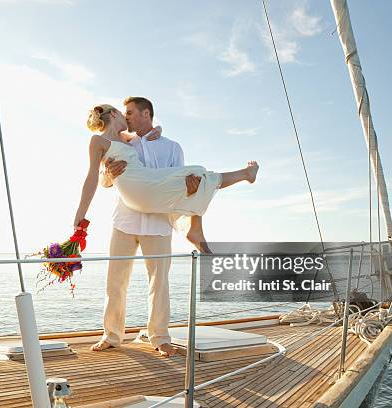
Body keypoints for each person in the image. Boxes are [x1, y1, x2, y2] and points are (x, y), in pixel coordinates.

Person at [75, 98, 258, 356]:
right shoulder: (126, 140)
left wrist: (192, 184)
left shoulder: (172, 147)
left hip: (159, 222)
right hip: (125, 221)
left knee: (159, 283)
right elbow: (103, 179)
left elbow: (180, 181)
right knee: (115, 281)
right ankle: (111, 335)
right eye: (123, 113)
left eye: (130, 113)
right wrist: (108, 175)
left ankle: (159, 336)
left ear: (146, 113)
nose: (126, 118)